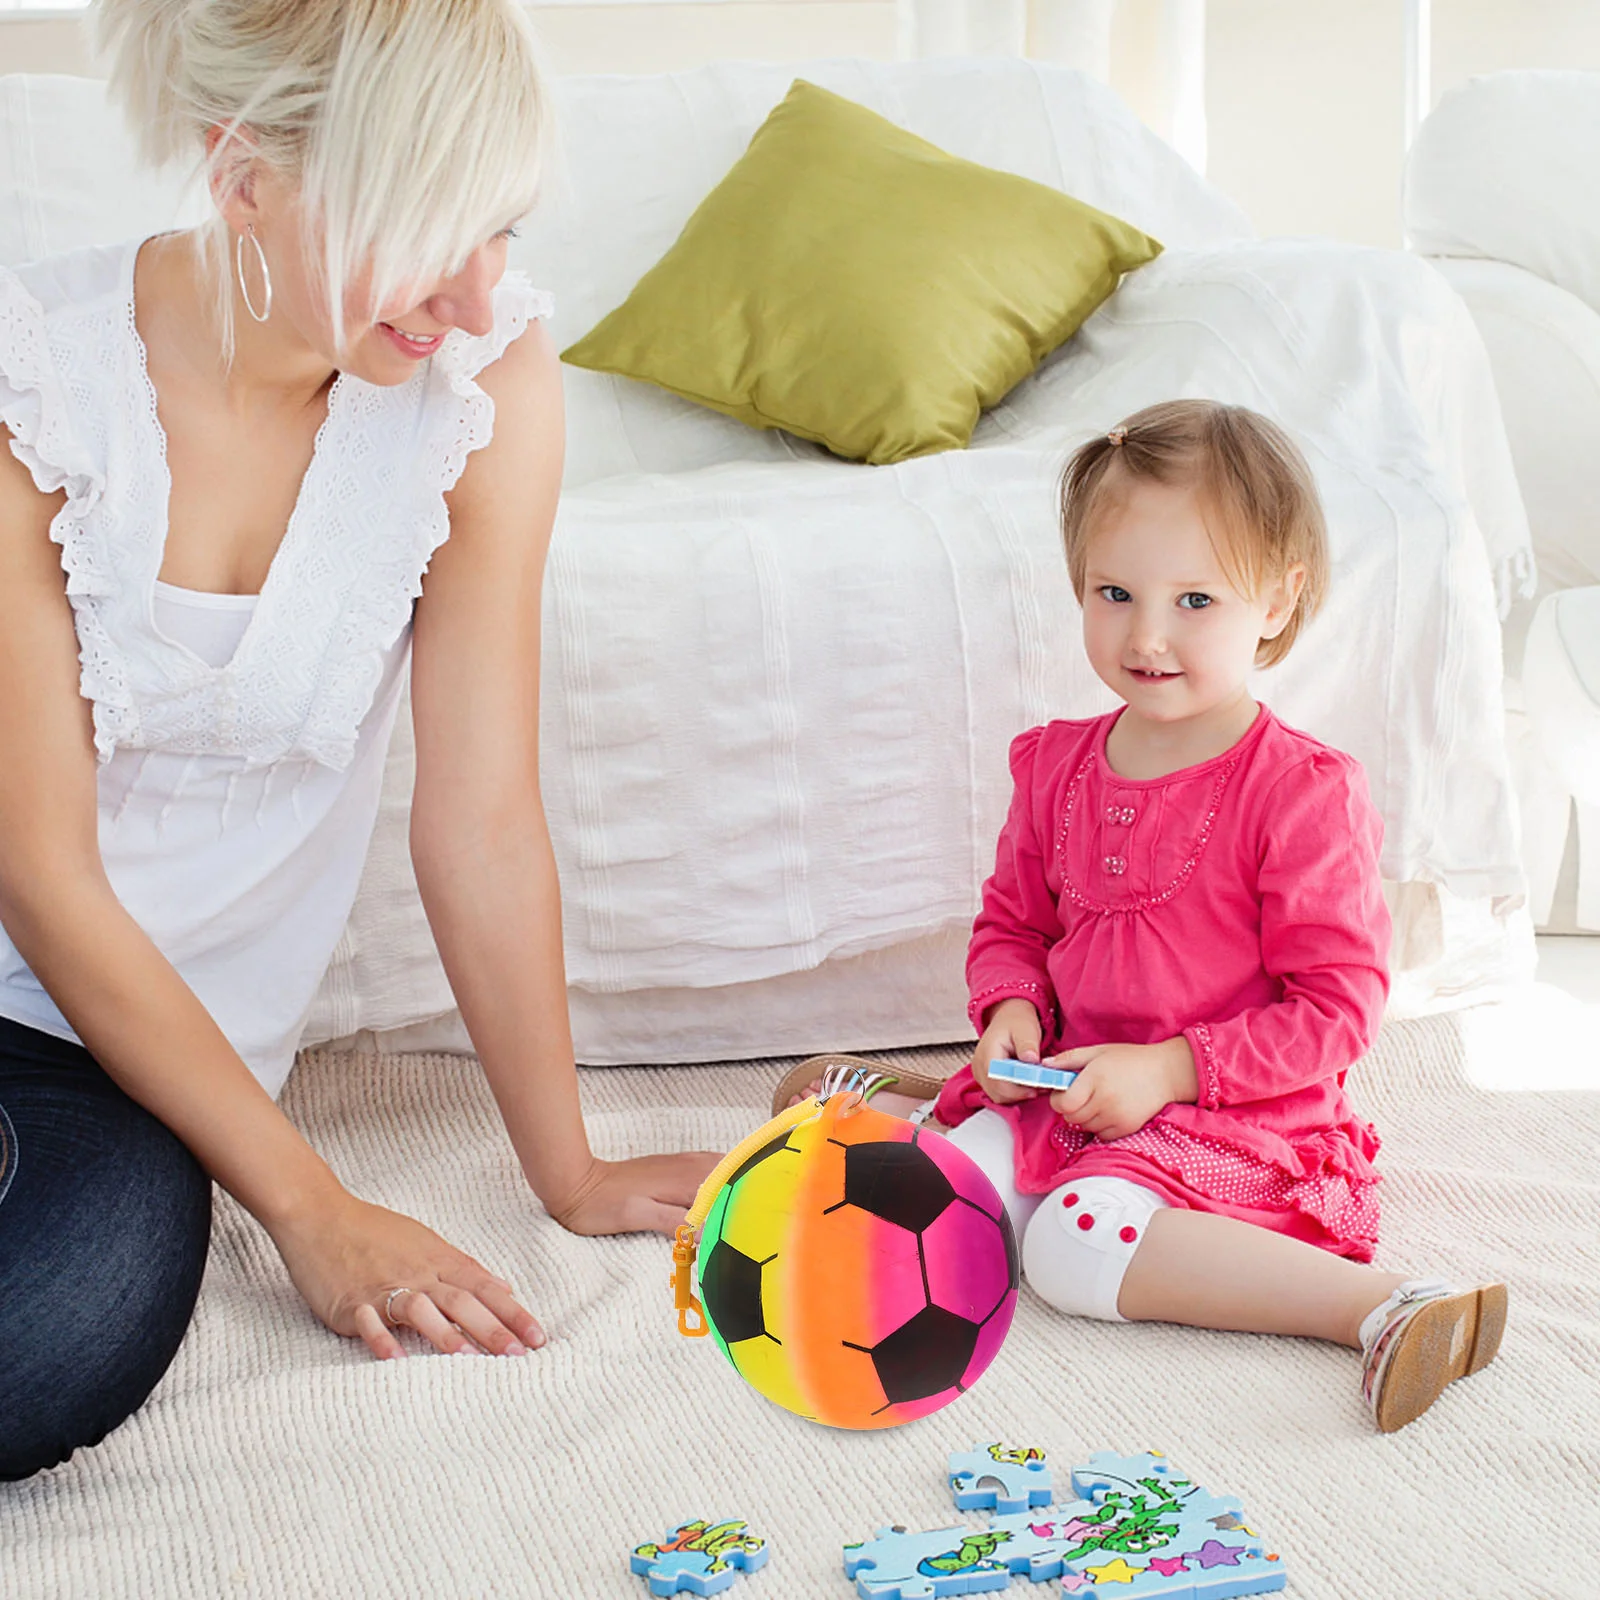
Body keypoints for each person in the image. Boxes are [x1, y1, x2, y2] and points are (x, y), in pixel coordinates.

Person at [0, 0, 714, 1482]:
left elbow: (480, 817)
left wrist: (565, 1169)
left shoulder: (483, 388)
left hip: (98, 1077)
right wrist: (314, 1210)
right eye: (425, 231)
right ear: (242, 172)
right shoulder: (31, 391)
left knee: (68, 1311)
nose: (471, 293)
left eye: (500, 229)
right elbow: (43, 877)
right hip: (29, 964)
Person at [775, 399, 1507, 1432]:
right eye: (1113, 593)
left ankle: (1386, 1308)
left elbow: (1335, 1011)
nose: (1147, 634)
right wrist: (1010, 1014)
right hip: (1069, 1090)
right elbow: (1010, 928)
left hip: (1230, 1113)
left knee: (1067, 1248)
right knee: (936, 1208)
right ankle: (918, 1103)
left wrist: (1167, 1070)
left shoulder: (1299, 791)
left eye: (1195, 599)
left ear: (1276, 600)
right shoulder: (1056, 764)